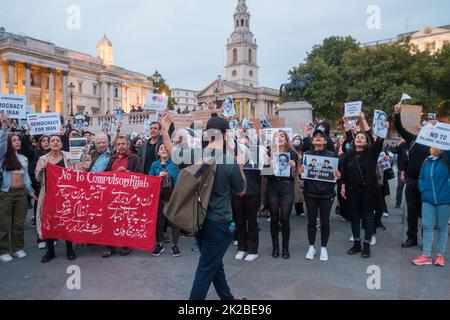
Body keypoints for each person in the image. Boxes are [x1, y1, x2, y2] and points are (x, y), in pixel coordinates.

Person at [189, 117, 246, 301]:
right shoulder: (229, 161)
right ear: (226, 134)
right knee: (207, 268)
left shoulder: (195, 155)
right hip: (219, 222)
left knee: (214, 265)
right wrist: (240, 165)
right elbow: (242, 191)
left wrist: (166, 132)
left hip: (198, 218)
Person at [341, 112, 386, 259]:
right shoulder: (349, 155)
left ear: (367, 143)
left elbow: (369, 133)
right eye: (357, 137)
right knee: (355, 217)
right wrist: (346, 122)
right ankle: (357, 244)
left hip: (368, 192)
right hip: (353, 191)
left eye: (363, 138)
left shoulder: (371, 153)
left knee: (368, 218)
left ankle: (366, 245)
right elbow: (344, 172)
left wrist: (362, 119)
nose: (360, 138)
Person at [394, 103, 432, 248]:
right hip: (411, 180)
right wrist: (397, 114)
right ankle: (412, 238)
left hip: (427, 183)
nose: (424, 127)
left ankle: (425, 241)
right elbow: (399, 128)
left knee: (426, 214)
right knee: (411, 211)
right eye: (423, 125)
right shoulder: (412, 139)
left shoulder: (435, 145)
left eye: (427, 125)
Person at [0, 115, 37, 263]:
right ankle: (3, 250)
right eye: (14, 140)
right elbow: (1, 143)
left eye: (18, 140)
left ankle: (17, 247)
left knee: (19, 222)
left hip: (21, 193)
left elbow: (26, 178)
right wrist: (4, 127)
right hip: (6, 193)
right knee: (3, 222)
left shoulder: (23, 159)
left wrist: (31, 192)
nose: (17, 142)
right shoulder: (3, 157)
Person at [300, 128, 340, 262]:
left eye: (321, 136)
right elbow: (302, 174)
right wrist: (300, 171)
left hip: (326, 195)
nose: (318, 137)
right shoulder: (307, 155)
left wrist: (338, 175)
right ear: (312, 140)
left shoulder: (332, 155)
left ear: (324, 141)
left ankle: (323, 247)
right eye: (315, 136)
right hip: (310, 193)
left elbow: (336, 174)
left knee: (325, 222)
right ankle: (311, 246)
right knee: (311, 221)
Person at [35, 135, 76, 263]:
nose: (55, 142)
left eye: (57, 140)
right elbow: (38, 178)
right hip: (48, 196)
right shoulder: (43, 159)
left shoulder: (69, 157)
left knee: (66, 222)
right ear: (49, 144)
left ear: (61, 144)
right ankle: (50, 251)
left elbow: (78, 172)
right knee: (50, 222)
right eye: (52, 141)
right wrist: (42, 170)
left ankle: (69, 249)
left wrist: (84, 154)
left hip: (66, 196)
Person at [102, 136, 142, 258]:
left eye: (123, 144)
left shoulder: (134, 158)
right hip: (112, 195)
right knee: (110, 221)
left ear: (128, 145)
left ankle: (125, 245)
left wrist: (128, 172)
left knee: (124, 220)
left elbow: (141, 175)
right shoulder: (112, 158)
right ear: (116, 146)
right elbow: (105, 173)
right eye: (118, 144)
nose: (121, 146)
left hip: (127, 196)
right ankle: (110, 246)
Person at [413, 148, 450, 266]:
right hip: (427, 200)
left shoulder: (447, 159)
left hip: (444, 200)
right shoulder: (427, 160)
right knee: (427, 226)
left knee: (442, 227)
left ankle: (440, 255)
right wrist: (423, 190)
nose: (435, 147)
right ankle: (426, 255)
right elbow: (421, 177)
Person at [267, 130, 298, 259]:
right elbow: (264, 173)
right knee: (274, 218)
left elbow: (294, 175)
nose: (279, 138)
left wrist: (293, 167)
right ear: (273, 139)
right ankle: (275, 247)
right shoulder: (268, 153)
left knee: (285, 218)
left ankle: (285, 248)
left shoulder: (292, 153)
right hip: (273, 187)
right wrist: (269, 165)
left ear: (286, 140)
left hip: (286, 187)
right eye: (277, 136)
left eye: (282, 136)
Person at [149, 144, 181, 257]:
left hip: (172, 198)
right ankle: (160, 244)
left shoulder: (174, 165)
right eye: (161, 149)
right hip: (159, 198)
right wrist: (158, 176)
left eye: (165, 148)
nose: (163, 150)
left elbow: (179, 182)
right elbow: (150, 180)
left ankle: (174, 245)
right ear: (158, 153)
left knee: (174, 223)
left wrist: (170, 175)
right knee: (159, 223)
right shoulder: (154, 165)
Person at [233, 138, 262, 262]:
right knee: (239, 221)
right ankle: (241, 248)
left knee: (252, 222)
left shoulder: (257, 157)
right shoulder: (234, 159)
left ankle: (252, 250)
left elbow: (265, 171)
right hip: (237, 193)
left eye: (246, 144)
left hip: (252, 192)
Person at [29, 135, 51, 248]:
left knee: (51, 214)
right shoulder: (36, 154)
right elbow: (32, 172)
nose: (46, 143)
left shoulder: (54, 155)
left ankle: (52, 238)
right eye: (44, 141)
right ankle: (40, 238)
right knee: (40, 213)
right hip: (40, 189)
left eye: (48, 141)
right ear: (40, 143)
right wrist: (35, 189)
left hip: (52, 190)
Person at [292, 134, 305, 216]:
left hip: (300, 173)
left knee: (300, 192)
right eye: (295, 139)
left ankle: (300, 209)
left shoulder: (302, 151)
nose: (297, 140)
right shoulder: (291, 150)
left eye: (298, 139)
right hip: (292, 172)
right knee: (293, 191)